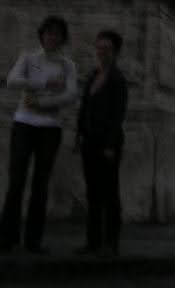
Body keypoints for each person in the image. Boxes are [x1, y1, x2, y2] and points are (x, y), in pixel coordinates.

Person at [0, 16, 78, 253]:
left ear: (62, 38)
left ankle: (34, 239)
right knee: (16, 181)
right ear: (42, 35)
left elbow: (71, 94)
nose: (52, 37)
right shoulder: (29, 58)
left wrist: (44, 102)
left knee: (41, 184)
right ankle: (7, 237)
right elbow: (12, 80)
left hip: (50, 126)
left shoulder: (68, 65)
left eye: (56, 34)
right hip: (24, 123)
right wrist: (43, 84)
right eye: (48, 33)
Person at [76, 30, 127, 258]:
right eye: (99, 48)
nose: (102, 53)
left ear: (115, 52)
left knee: (109, 192)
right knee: (93, 193)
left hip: (108, 142)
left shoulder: (117, 79)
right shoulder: (92, 75)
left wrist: (110, 145)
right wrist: (79, 133)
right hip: (90, 140)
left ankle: (111, 241)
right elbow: (84, 107)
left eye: (106, 49)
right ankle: (93, 240)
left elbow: (118, 114)